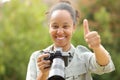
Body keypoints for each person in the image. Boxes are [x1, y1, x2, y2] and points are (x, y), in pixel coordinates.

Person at [26, 1, 115, 80]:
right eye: (55, 26)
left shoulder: (82, 57)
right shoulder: (38, 58)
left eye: (65, 26)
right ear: (49, 27)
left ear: (74, 27)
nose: (60, 32)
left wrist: (97, 47)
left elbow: (105, 66)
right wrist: (43, 74)